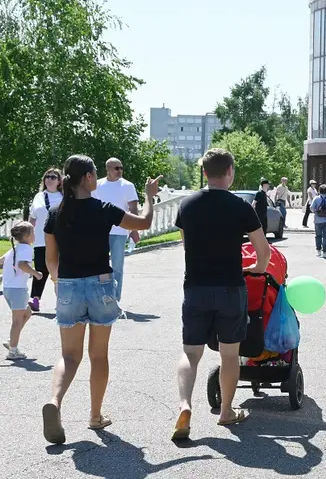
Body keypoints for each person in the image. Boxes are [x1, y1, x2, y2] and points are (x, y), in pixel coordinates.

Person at [42, 155, 159, 445]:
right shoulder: (103, 209)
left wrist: (59, 283)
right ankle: (95, 416)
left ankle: (55, 402)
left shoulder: (56, 213)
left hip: (68, 285)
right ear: (89, 178)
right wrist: (148, 196)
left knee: (69, 356)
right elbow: (143, 223)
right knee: (98, 354)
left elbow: (50, 260)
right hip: (100, 284)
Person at [172, 149, 270, 439]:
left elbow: (186, 246)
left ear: (204, 172)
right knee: (229, 354)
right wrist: (255, 268)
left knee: (191, 353)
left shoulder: (187, 205)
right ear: (230, 172)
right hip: (230, 287)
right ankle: (226, 412)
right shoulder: (241, 207)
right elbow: (262, 252)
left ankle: (185, 406)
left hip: (196, 287)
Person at [91, 158, 139, 303]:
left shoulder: (127, 185)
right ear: (108, 169)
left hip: (120, 231)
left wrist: (134, 229)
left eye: (121, 168)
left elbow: (133, 209)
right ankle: (101, 296)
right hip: (100, 231)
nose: (119, 171)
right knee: (100, 265)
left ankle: (115, 299)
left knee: (117, 266)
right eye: (116, 168)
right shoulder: (98, 184)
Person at [1, 221, 42, 360]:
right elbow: (22, 265)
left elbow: (2, 261)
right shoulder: (26, 248)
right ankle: (13, 351)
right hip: (17, 290)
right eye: (33, 232)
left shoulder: (15, 248)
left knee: (27, 313)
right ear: (26, 236)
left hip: (8, 289)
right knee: (17, 321)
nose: (35, 234)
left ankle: (11, 340)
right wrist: (36, 273)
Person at [28, 168, 63, 312]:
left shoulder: (64, 196)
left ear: (59, 181)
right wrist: (26, 236)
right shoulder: (39, 196)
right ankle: (35, 299)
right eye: (47, 176)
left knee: (60, 271)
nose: (49, 179)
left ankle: (62, 301)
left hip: (60, 240)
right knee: (40, 270)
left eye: (53, 177)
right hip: (41, 240)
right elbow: (32, 218)